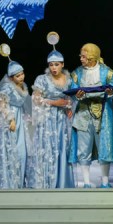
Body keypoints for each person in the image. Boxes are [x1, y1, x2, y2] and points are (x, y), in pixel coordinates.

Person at [28, 32, 75, 188]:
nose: (54, 68)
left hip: (61, 120)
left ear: (62, 64)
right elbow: (36, 99)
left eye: (56, 64)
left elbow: (70, 98)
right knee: (48, 148)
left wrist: (68, 106)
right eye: (51, 65)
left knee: (62, 147)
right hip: (47, 119)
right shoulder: (42, 79)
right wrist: (55, 102)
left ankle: (62, 182)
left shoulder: (68, 79)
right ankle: (46, 182)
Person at [69, 43, 113, 188]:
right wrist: (77, 95)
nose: (81, 59)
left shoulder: (107, 72)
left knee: (104, 147)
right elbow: (73, 90)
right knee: (83, 148)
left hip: (102, 114)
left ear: (92, 57)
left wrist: (110, 93)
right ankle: (86, 182)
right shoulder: (77, 73)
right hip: (83, 114)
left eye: (83, 56)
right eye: (81, 56)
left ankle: (105, 182)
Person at [0, 54, 32, 189]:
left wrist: (26, 117)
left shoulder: (23, 86)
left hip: (20, 119)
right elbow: (2, 105)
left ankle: (20, 182)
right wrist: (10, 119)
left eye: (22, 74)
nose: (21, 77)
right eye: (18, 76)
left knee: (22, 151)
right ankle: (10, 182)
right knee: (12, 150)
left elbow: (22, 103)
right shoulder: (7, 88)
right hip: (11, 120)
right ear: (11, 77)